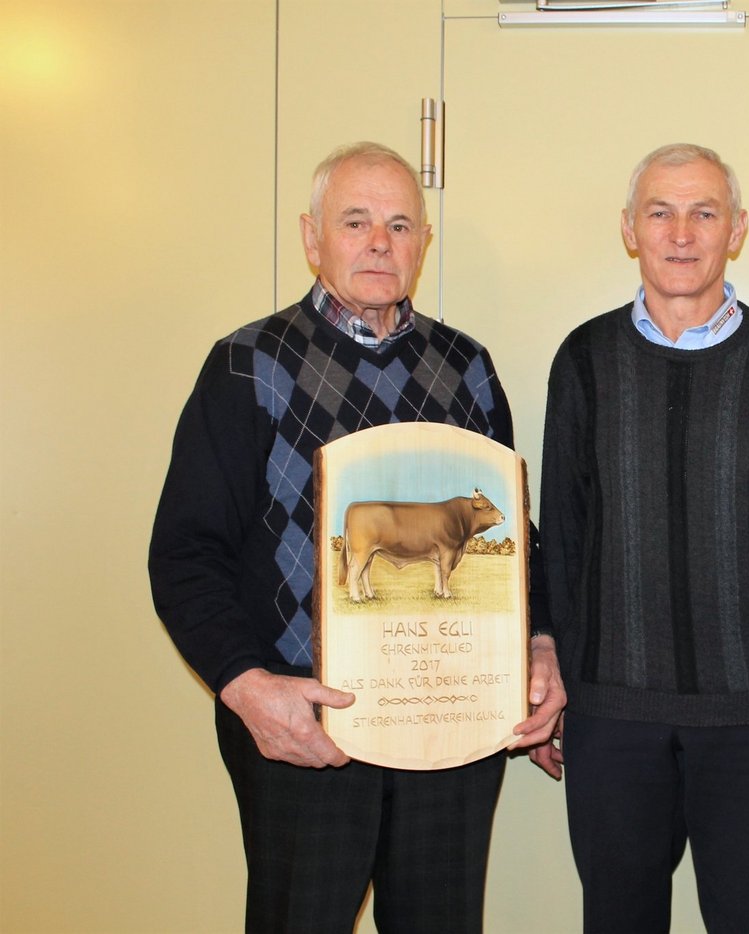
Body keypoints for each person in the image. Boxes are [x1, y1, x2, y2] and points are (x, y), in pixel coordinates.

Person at [148, 141, 564, 933]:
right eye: (357, 220)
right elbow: (184, 554)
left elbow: (516, 538)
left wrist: (540, 641)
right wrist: (247, 688)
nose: (381, 241)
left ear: (423, 243)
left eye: (401, 224)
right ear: (312, 238)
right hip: (307, 733)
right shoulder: (245, 366)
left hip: (452, 728)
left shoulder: (467, 367)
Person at [534, 143, 749, 933]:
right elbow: (563, 537)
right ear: (629, 229)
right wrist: (553, 678)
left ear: (736, 229)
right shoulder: (584, 360)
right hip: (614, 715)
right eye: (661, 212)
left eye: (704, 212)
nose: (682, 233)